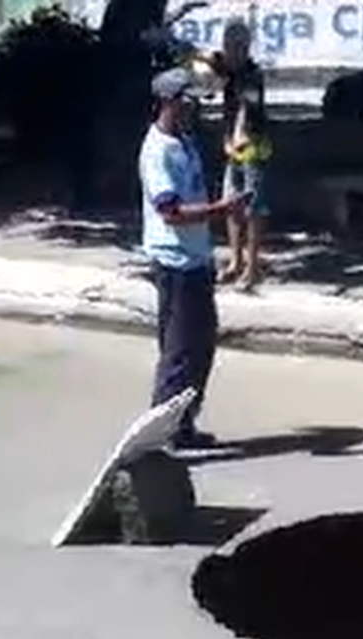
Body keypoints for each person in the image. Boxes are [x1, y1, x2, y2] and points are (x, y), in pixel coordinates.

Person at [139, 67, 250, 450]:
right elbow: (170, 212)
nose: (195, 109)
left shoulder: (184, 141)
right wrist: (221, 208)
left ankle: (182, 425)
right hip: (174, 264)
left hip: (195, 259)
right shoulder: (158, 152)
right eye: (188, 102)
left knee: (200, 346)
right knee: (180, 351)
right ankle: (158, 437)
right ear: (169, 102)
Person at [214, 20, 273, 291]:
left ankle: (252, 267)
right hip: (233, 148)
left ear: (244, 48)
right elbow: (211, 66)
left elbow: (247, 111)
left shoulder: (252, 75)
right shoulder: (230, 72)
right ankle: (235, 261)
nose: (228, 52)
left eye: (234, 47)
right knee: (231, 204)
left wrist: (237, 139)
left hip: (253, 147)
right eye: (226, 46)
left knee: (253, 208)